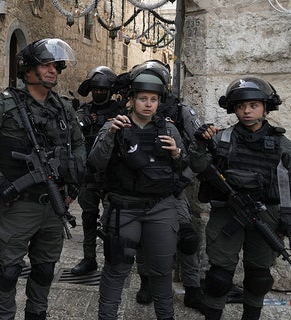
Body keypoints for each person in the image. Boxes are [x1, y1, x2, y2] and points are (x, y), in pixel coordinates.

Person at [0, 38, 86, 320]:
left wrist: (74, 182)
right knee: (8, 270)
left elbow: (79, 144)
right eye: (45, 65)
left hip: (54, 204)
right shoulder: (5, 104)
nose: (53, 71)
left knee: (45, 270)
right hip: (19, 203)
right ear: (28, 69)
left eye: (55, 66)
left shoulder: (63, 107)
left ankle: (37, 314)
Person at [189, 76, 291, 320]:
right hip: (227, 213)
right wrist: (199, 144)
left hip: (266, 214)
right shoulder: (222, 138)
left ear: (265, 107)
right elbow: (199, 166)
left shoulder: (281, 144)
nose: (246, 111)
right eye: (241, 106)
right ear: (234, 109)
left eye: (253, 105)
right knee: (219, 276)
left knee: (259, 276)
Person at [88, 68, 186, 320]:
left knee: (162, 270)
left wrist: (177, 154)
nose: (148, 104)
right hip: (123, 208)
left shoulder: (169, 130)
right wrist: (110, 134)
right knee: (116, 269)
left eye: (153, 99)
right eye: (143, 98)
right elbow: (96, 162)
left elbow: (185, 169)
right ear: (131, 99)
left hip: (160, 207)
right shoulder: (115, 125)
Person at [127, 60, 205, 311]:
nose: (148, 102)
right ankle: (147, 281)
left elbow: (200, 151)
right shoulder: (128, 113)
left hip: (173, 187)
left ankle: (192, 287)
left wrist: (183, 178)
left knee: (187, 239)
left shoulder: (181, 112)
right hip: (138, 187)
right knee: (141, 241)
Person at [71, 65, 125, 276]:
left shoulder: (120, 111)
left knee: (114, 220)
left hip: (113, 174)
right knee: (88, 217)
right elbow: (71, 133)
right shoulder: (84, 111)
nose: (100, 93)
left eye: (104, 90)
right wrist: (82, 123)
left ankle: (114, 261)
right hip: (89, 174)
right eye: (97, 90)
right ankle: (89, 258)